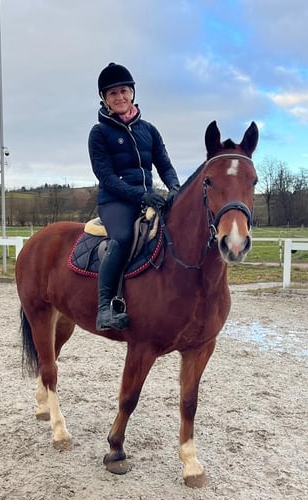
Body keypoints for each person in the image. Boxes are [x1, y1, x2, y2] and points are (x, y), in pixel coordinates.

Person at [88, 62, 181, 331]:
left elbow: (164, 165)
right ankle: (104, 308)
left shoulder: (149, 130)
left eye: (123, 91)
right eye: (112, 93)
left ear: (132, 94)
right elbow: (105, 176)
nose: (119, 97)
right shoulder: (99, 133)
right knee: (124, 237)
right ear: (104, 99)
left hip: (147, 198)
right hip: (115, 201)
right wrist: (141, 195)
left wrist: (174, 187)